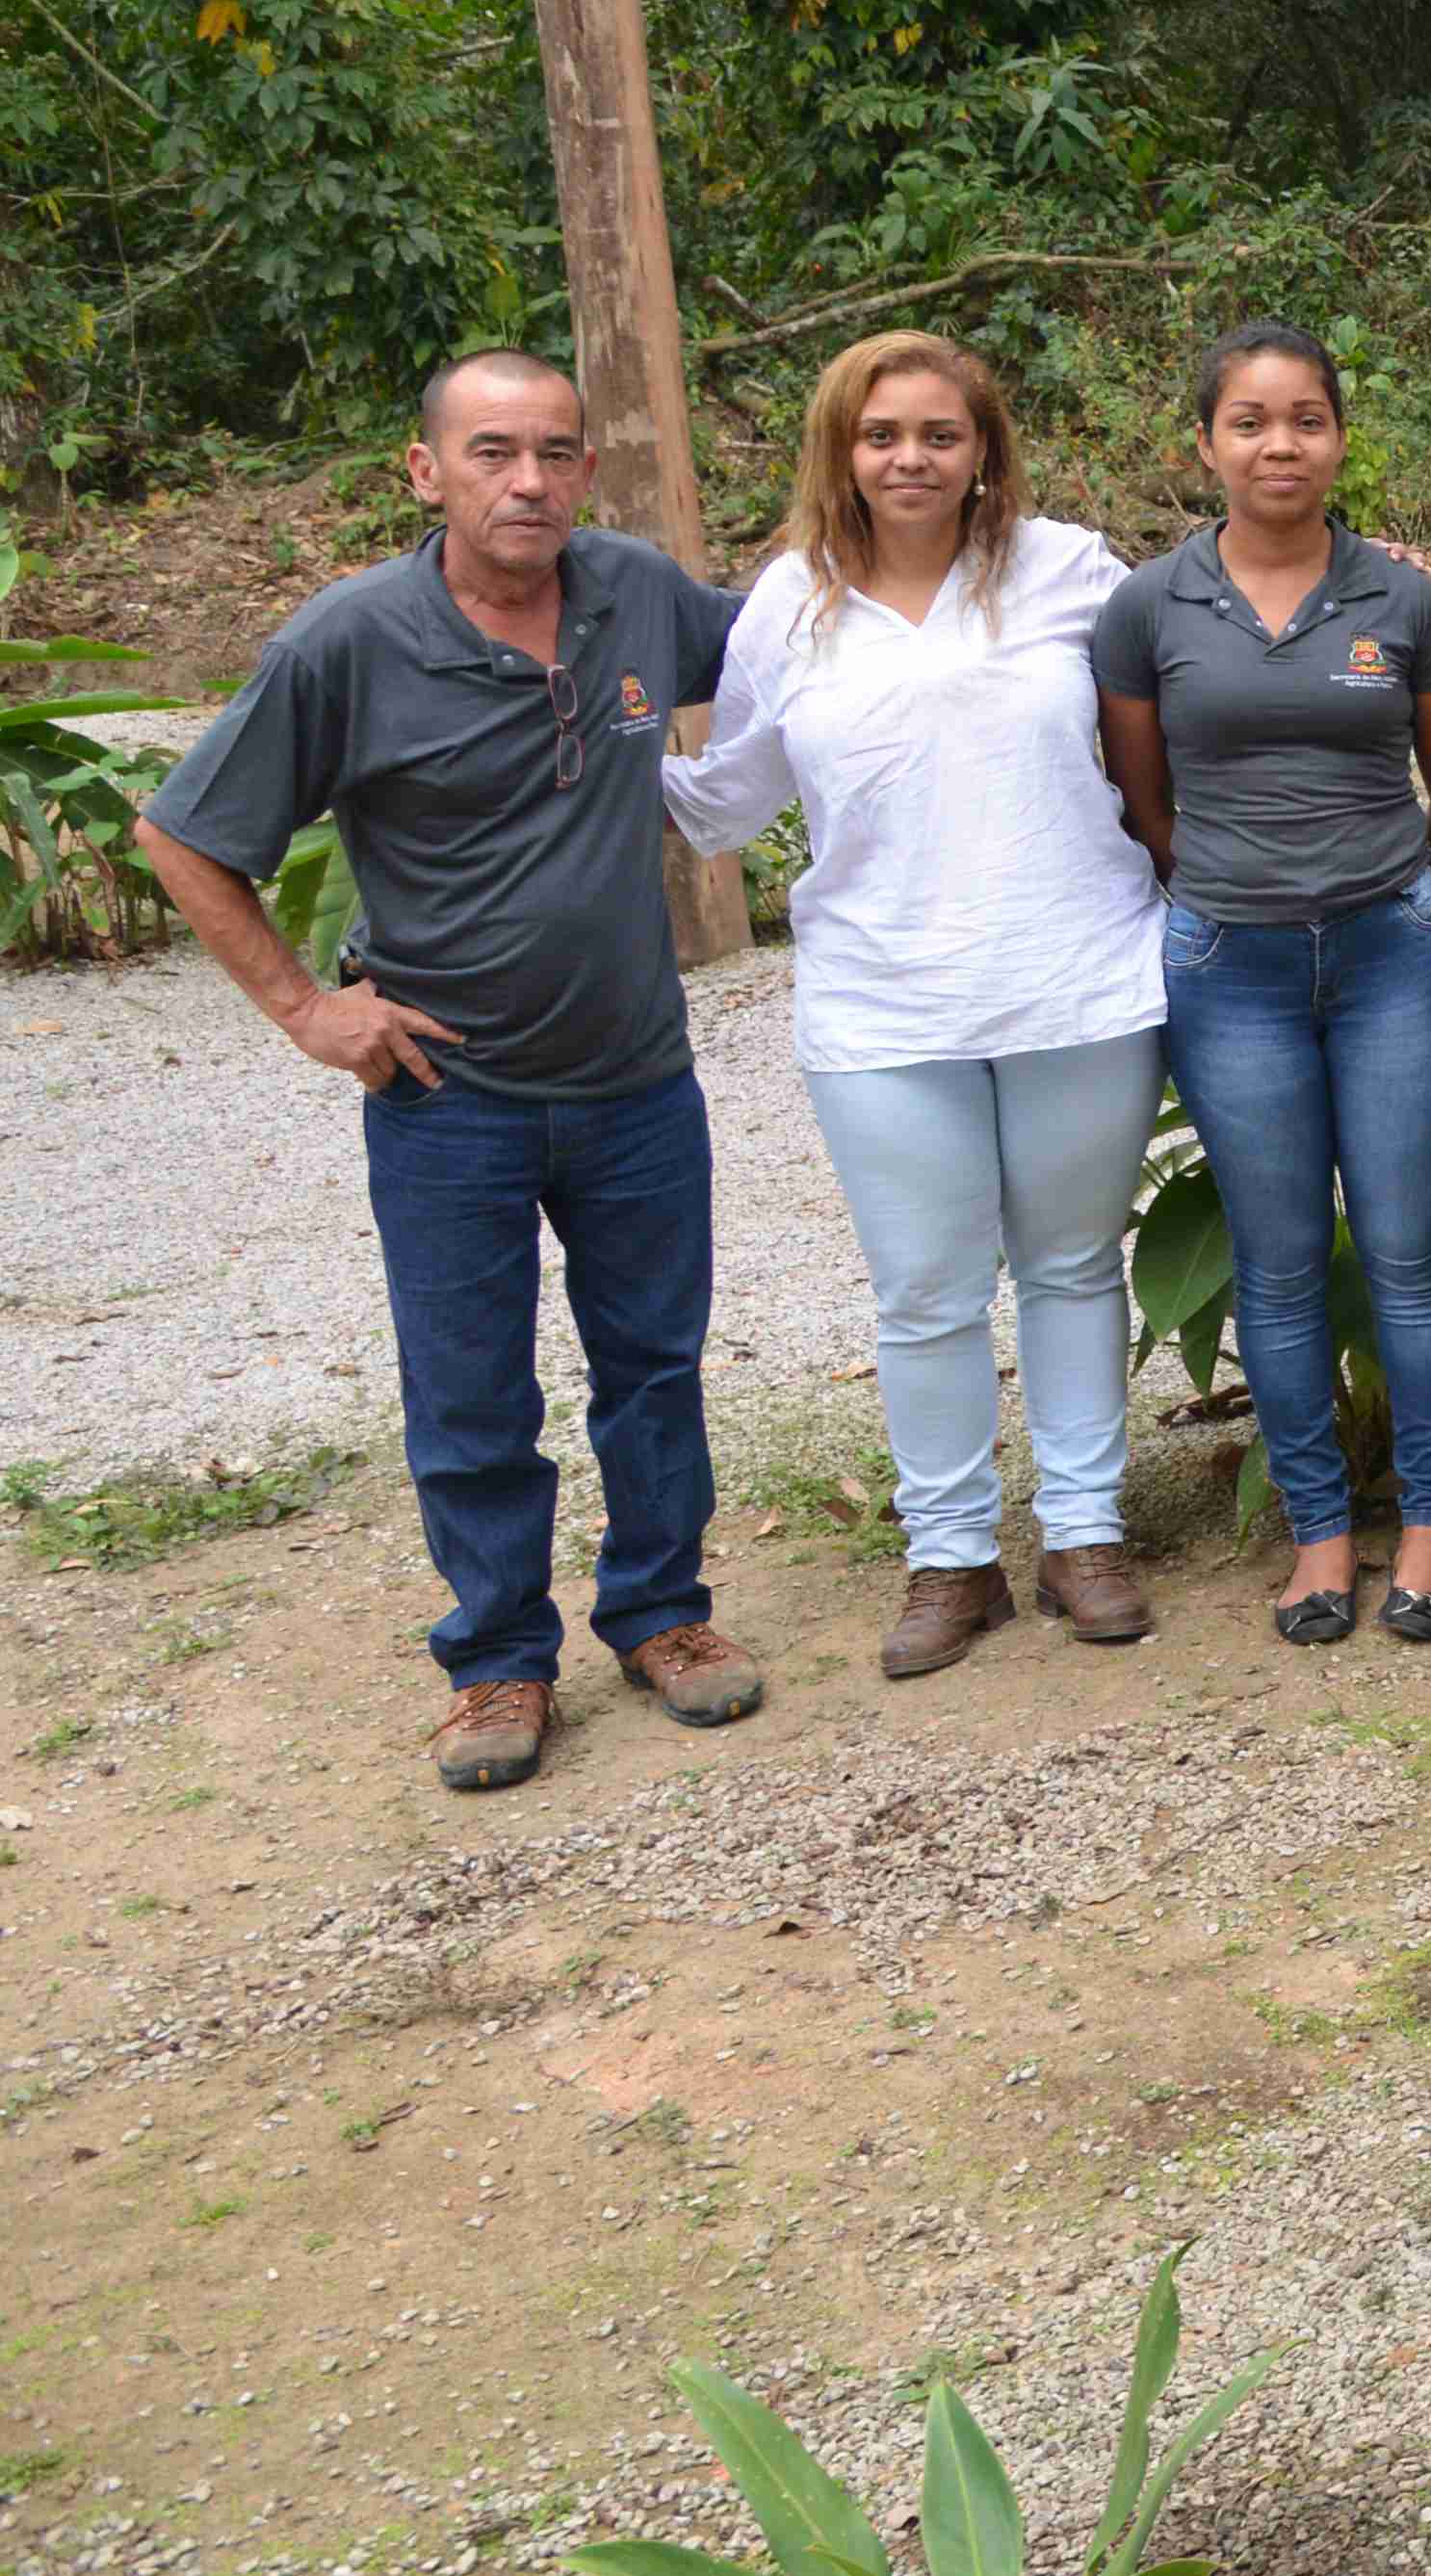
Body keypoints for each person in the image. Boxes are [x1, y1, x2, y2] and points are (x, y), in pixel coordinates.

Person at [136, 351, 763, 1795]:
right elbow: (183, 834)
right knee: (471, 1391)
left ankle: (663, 1616)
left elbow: (811, 646)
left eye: (554, 451)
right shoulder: (347, 642)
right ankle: (497, 1662)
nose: (528, 480)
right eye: (491, 452)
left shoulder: (636, 595)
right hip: (447, 1098)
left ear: (584, 473)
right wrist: (306, 1009)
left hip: (635, 1084)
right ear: (427, 472)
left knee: (654, 1369)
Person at [665, 333, 1167, 1678]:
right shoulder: (789, 603)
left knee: (1070, 1263)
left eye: (940, 434)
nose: (910, 458)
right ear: (841, 450)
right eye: (881, 435)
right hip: (883, 1002)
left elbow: (1178, 698)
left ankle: (1083, 1531)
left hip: (1077, 974)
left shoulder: (1071, 568)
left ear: (984, 449)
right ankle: (951, 1558)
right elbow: (728, 799)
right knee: (926, 1292)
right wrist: (616, 733)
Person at [1094, 322, 1431, 1648]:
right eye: (1252, 421)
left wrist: (1386, 890)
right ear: (1203, 443)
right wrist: (1237, 889)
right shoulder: (1150, 609)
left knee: (1404, 1251)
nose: (1281, 444)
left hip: (1392, 960)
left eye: (1307, 418)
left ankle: (1430, 1529)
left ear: (1338, 437)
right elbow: (1143, 801)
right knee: (1273, 1267)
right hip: (1231, 968)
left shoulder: (1403, 600)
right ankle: (1320, 1539)